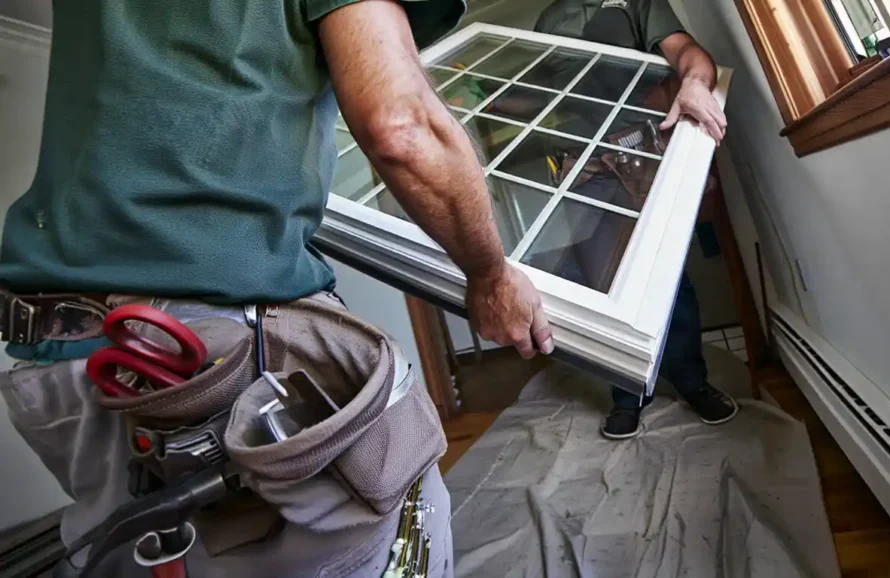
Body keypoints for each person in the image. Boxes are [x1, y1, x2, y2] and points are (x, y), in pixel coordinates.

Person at [0, 0, 551, 576]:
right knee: (404, 516)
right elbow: (403, 128)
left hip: (58, 350)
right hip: (209, 349)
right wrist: (492, 277)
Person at [533, 0, 739, 439]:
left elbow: (687, 52)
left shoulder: (636, 3)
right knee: (606, 283)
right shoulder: (549, 20)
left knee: (666, 276)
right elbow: (541, 97)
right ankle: (628, 395)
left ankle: (691, 381)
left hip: (638, 154)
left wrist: (696, 83)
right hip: (582, 166)